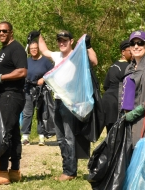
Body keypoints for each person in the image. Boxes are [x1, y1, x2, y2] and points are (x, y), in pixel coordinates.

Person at [29, 29, 98, 181]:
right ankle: (66, 169)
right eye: (59, 40)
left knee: (69, 137)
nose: (61, 43)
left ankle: (70, 172)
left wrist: (88, 45)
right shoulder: (57, 55)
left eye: (65, 40)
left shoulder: (77, 55)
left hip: (71, 103)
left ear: (71, 41)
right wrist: (38, 35)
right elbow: (45, 50)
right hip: (57, 100)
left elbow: (94, 61)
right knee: (60, 137)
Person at [0, 21, 27, 185]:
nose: (1, 33)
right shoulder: (4, 49)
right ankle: (14, 170)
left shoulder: (16, 48)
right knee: (14, 133)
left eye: (4, 31)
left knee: (4, 133)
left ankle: (2, 172)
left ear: (11, 32)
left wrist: (1, 77)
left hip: (12, 96)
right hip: (6, 95)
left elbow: (22, 71)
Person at [21, 40, 54, 146]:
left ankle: (41, 136)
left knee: (41, 113)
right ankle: (25, 137)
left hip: (41, 91)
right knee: (27, 113)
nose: (33, 50)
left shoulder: (45, 61)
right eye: (31, 49)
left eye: (35, 48)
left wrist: (43, 79)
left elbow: (53, 71)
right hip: (28, 90)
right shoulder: (26, 61)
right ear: (29, 50)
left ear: (38, 49)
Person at [101, 40, 132, 132]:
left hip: (106, 102)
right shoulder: (128, 67)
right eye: (130, 51)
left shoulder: (113, 65)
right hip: (116, 103)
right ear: (123, 52)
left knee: (110, 133)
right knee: (118, 135)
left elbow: (106, 85)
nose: (133, 53)